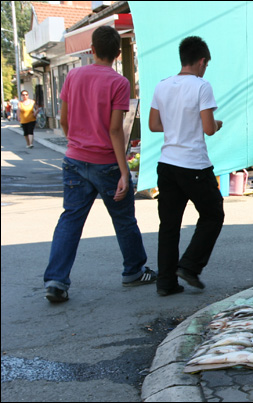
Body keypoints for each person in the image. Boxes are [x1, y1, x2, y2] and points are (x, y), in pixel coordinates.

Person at [43, 26, 156, 303]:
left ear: (91, 49)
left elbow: (65, 120)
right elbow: (115, 129)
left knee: (70, 219)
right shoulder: (119, 83)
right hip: (106, 162)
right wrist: (123, 171)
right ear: (118, 54)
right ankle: (133, 271)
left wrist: (77, 143)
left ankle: (56, 280)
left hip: (74, 159)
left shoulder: (73, 75)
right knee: (124, 219)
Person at [149, 36, 225, 296]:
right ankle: (190, 266)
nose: (206, 69)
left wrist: (176, 125)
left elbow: (154, 125)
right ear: (202, 61)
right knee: (213, 214)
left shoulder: (162, 86)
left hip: (167, 163)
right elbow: (208, 129)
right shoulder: (202, 86)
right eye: (207, 64)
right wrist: (217, 124)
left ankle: (166, 282)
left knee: (169, 225)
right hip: (193, 164)